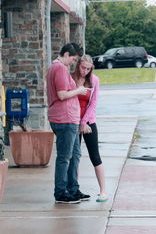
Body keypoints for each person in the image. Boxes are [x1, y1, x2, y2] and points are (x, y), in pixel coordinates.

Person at [47, 43, 91, 204]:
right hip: (64, 119)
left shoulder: (59, 68)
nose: (73, 62)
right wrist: (79, 90)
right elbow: (62, 95)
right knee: (64, 158)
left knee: (75, 155)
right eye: (73, 58)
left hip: (69, 119)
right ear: (66, 54)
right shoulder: (58, 68)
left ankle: (73, 189)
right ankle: (61, 193)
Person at [72, 55, 108, 202]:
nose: (85, 71)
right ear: (78, 65)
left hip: (88, 122)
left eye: (88, 68)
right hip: (72, 122)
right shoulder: (70, 79)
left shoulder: (94, 80)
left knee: (95, 156)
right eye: (83, 68)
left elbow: (93, 104)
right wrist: (78, 123)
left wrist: (84, 122)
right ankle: (75, 189)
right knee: (74, 157)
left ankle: (103, 191)